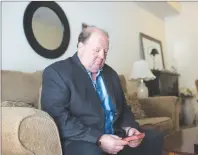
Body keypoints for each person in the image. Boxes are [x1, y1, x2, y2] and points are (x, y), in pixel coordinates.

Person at [41, 23, 164, 155]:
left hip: (115, 135)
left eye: (105, 52)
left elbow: (123, 107)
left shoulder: (110, 74)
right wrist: (99, 138)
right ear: (81, 47)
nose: (102, 56)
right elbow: (58, 118)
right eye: (97, 50)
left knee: (153, 137)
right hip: (81, 140)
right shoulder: (57, 72)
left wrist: (130, 128)